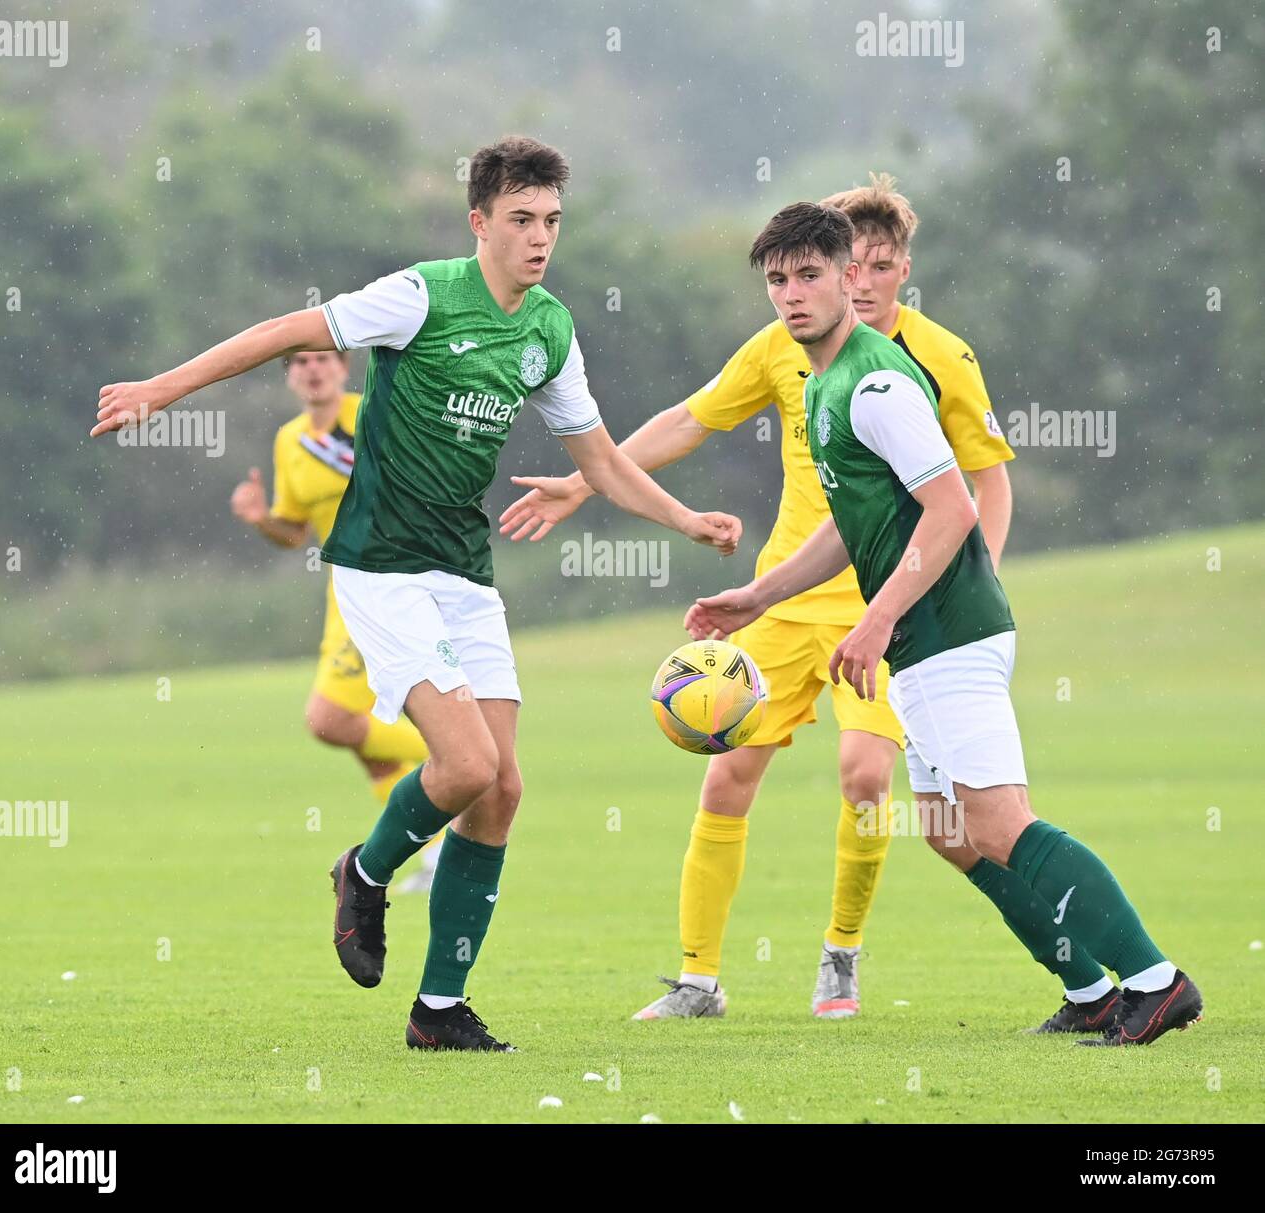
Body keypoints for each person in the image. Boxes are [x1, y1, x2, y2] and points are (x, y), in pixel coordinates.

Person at [92, 135, 742, 1053]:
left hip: (464, 573)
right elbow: (288, 331)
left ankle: (439, 1010)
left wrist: (685, 520)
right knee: (468, 764)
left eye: (551, 220)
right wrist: (163, 387)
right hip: (382, 564)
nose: (538, 238)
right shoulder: (422, 294)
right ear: (480, 222)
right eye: (520, 219)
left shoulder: (550, 328)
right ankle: (365, 869)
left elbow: (598, 460)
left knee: (503, 788)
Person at [500, 175, 1020, 1024]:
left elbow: (982, 487)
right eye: (843, 268)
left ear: (895, 268)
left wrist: (971, 583)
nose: (860, 283)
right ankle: (698, 980)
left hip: (889, 602)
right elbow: (689, 418)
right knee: (725, 776)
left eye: (881, 267)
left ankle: (840, 955)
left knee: (864, 777)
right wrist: (582, 482)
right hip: (783, 594)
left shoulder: (938, 356)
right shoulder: (784, 345)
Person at [684, 202, 1201, 1047]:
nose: (791, 294)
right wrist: (758, 595)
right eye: (777, 280)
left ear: (852, 274)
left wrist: (877, 618)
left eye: (810, 274)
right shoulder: (822, 383)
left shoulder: (877, 381)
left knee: (998, 821)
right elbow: (851, 522)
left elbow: (952, 504)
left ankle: (1153, 979)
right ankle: (1088, 988)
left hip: (951, 632)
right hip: (926, 641)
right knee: (951, 832)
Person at [229, 350, 437, 894]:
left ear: (344, 369)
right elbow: (294, 531)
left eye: (323, 359)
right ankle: (438, 852)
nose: (312, 369)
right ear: (290, 377)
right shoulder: (289, 440)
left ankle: (464, 760)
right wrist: (260, 520)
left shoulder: (373, 413)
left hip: (390, 577)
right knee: (370, 746)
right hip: (343, 589)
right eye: (299, 362)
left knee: (329, 719)